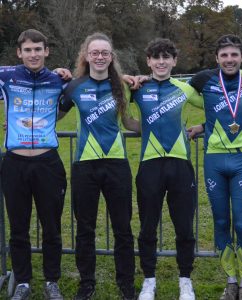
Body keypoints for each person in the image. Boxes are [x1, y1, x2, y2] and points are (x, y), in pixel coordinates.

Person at [58, 32, 138, 300]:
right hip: (85, 166)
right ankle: (87, 283)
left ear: (111, 57)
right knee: (85, 228)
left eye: (105, 53)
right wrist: (24, 123)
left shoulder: (123, 86)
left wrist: (162, 127)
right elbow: (54, 116)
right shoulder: (75, 86)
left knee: (123, 228)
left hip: (117, 165)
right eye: (95, 52)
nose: (100, 57)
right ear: (87, 56)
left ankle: (126, 282)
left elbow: (128, 123)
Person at [187, 34, 242, 300]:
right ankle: (230, 281)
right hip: (214, 161)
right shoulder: (207, 81)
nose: (229, 59)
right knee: (221, 221)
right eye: (224, 55)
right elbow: (175, 86)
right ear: (217, 59)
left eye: (234, 55)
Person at [126, 38, 203, 300]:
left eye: (166, 57)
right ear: (148, 61)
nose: (161, 62)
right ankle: (149, 279)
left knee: (184, 226)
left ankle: (185, 280)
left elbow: (215, 107)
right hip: (150, 165)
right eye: (156, 57)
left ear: (174, 61)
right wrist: (141, 126)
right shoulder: (138, 88)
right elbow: (124, 116)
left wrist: (201, 127)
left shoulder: (183, 88)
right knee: (147, 226)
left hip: (181, 165)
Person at [0, 29, 68, 300]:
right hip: (15, 163)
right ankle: (23, 282)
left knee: (51, 226)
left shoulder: (58, 80)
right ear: (19, 53)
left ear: (46, 51)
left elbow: (90, 83)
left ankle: (52, 281)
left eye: (38, 49)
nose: (33, 54)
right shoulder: (7, 77)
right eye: (27, 50)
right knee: (18, 227)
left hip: (48, 163)